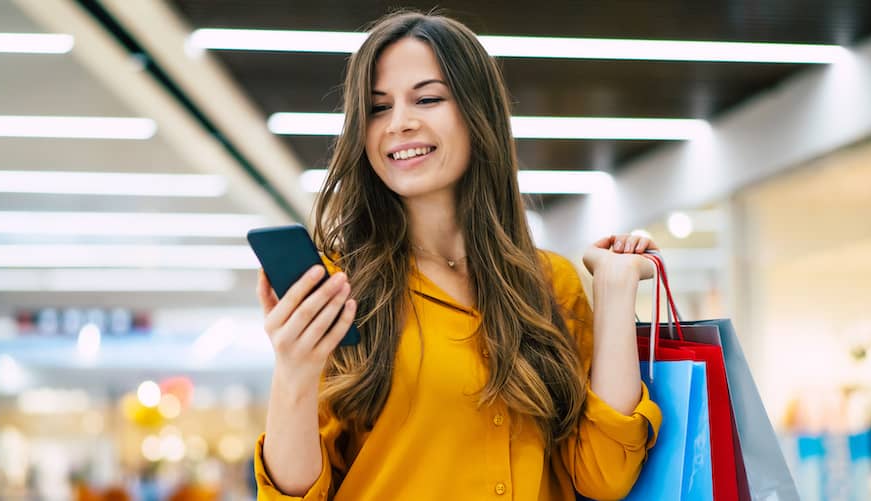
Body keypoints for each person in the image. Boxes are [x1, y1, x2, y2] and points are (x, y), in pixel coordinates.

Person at [253, 10, 662, 500]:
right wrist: (293, 372)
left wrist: (615, 294)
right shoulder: (340, 289)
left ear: (477, 113)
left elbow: (605, 476)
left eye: (427, 98)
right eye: (377, 108)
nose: (400, 123)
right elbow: (295, 495)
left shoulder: (549, 284)